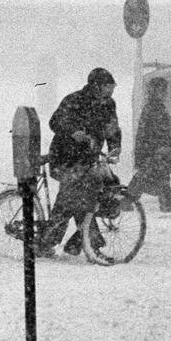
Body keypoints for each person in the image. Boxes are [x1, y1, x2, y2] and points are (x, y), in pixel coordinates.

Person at [38, 67, 122, 257]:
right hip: (66, 158)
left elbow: (112, 129)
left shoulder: (108, 105)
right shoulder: (74, 100)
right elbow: (55, 121)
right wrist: (73, 132)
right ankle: (86, 242)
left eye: (112, 86)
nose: (111, 91)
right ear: (96, 86)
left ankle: (72, 241)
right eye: (108, 87)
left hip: (88, 159)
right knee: (75, 197)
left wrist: (115, 147)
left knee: (104, 190)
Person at [128, 77, 171, 212]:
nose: (164, 94)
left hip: (155, 153)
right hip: (154, 153)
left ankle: (127, 201)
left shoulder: (155, 108)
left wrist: (169, 145)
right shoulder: (153, 109)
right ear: (154, 91)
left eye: (164, 91)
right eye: (162, 91)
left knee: (151, 179)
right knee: (153, 179)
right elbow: (152, 133)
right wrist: (163, 147)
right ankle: (126, 201)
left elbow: (157, 133)